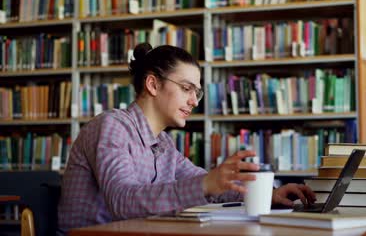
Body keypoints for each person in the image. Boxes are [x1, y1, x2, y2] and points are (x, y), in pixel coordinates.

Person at [58, 44, 316, 233]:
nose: (194, 101)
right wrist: (207, 183)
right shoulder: (112, 126)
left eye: (197, 92)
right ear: (153, 84)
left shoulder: (164, 144)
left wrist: (266, 194)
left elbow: (206, 184)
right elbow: (122, 201)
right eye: (186, 89)